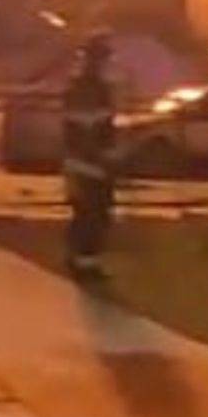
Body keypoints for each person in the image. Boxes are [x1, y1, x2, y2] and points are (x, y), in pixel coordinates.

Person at [62, 31, 117, 280]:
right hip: (89, 163)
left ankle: (83, 260)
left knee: (88, 213)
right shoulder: (90, 88)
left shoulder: (85, 87)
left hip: (86, 162)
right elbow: (88, 126)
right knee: (91, 214)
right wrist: (102, 156)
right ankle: (85, 263)